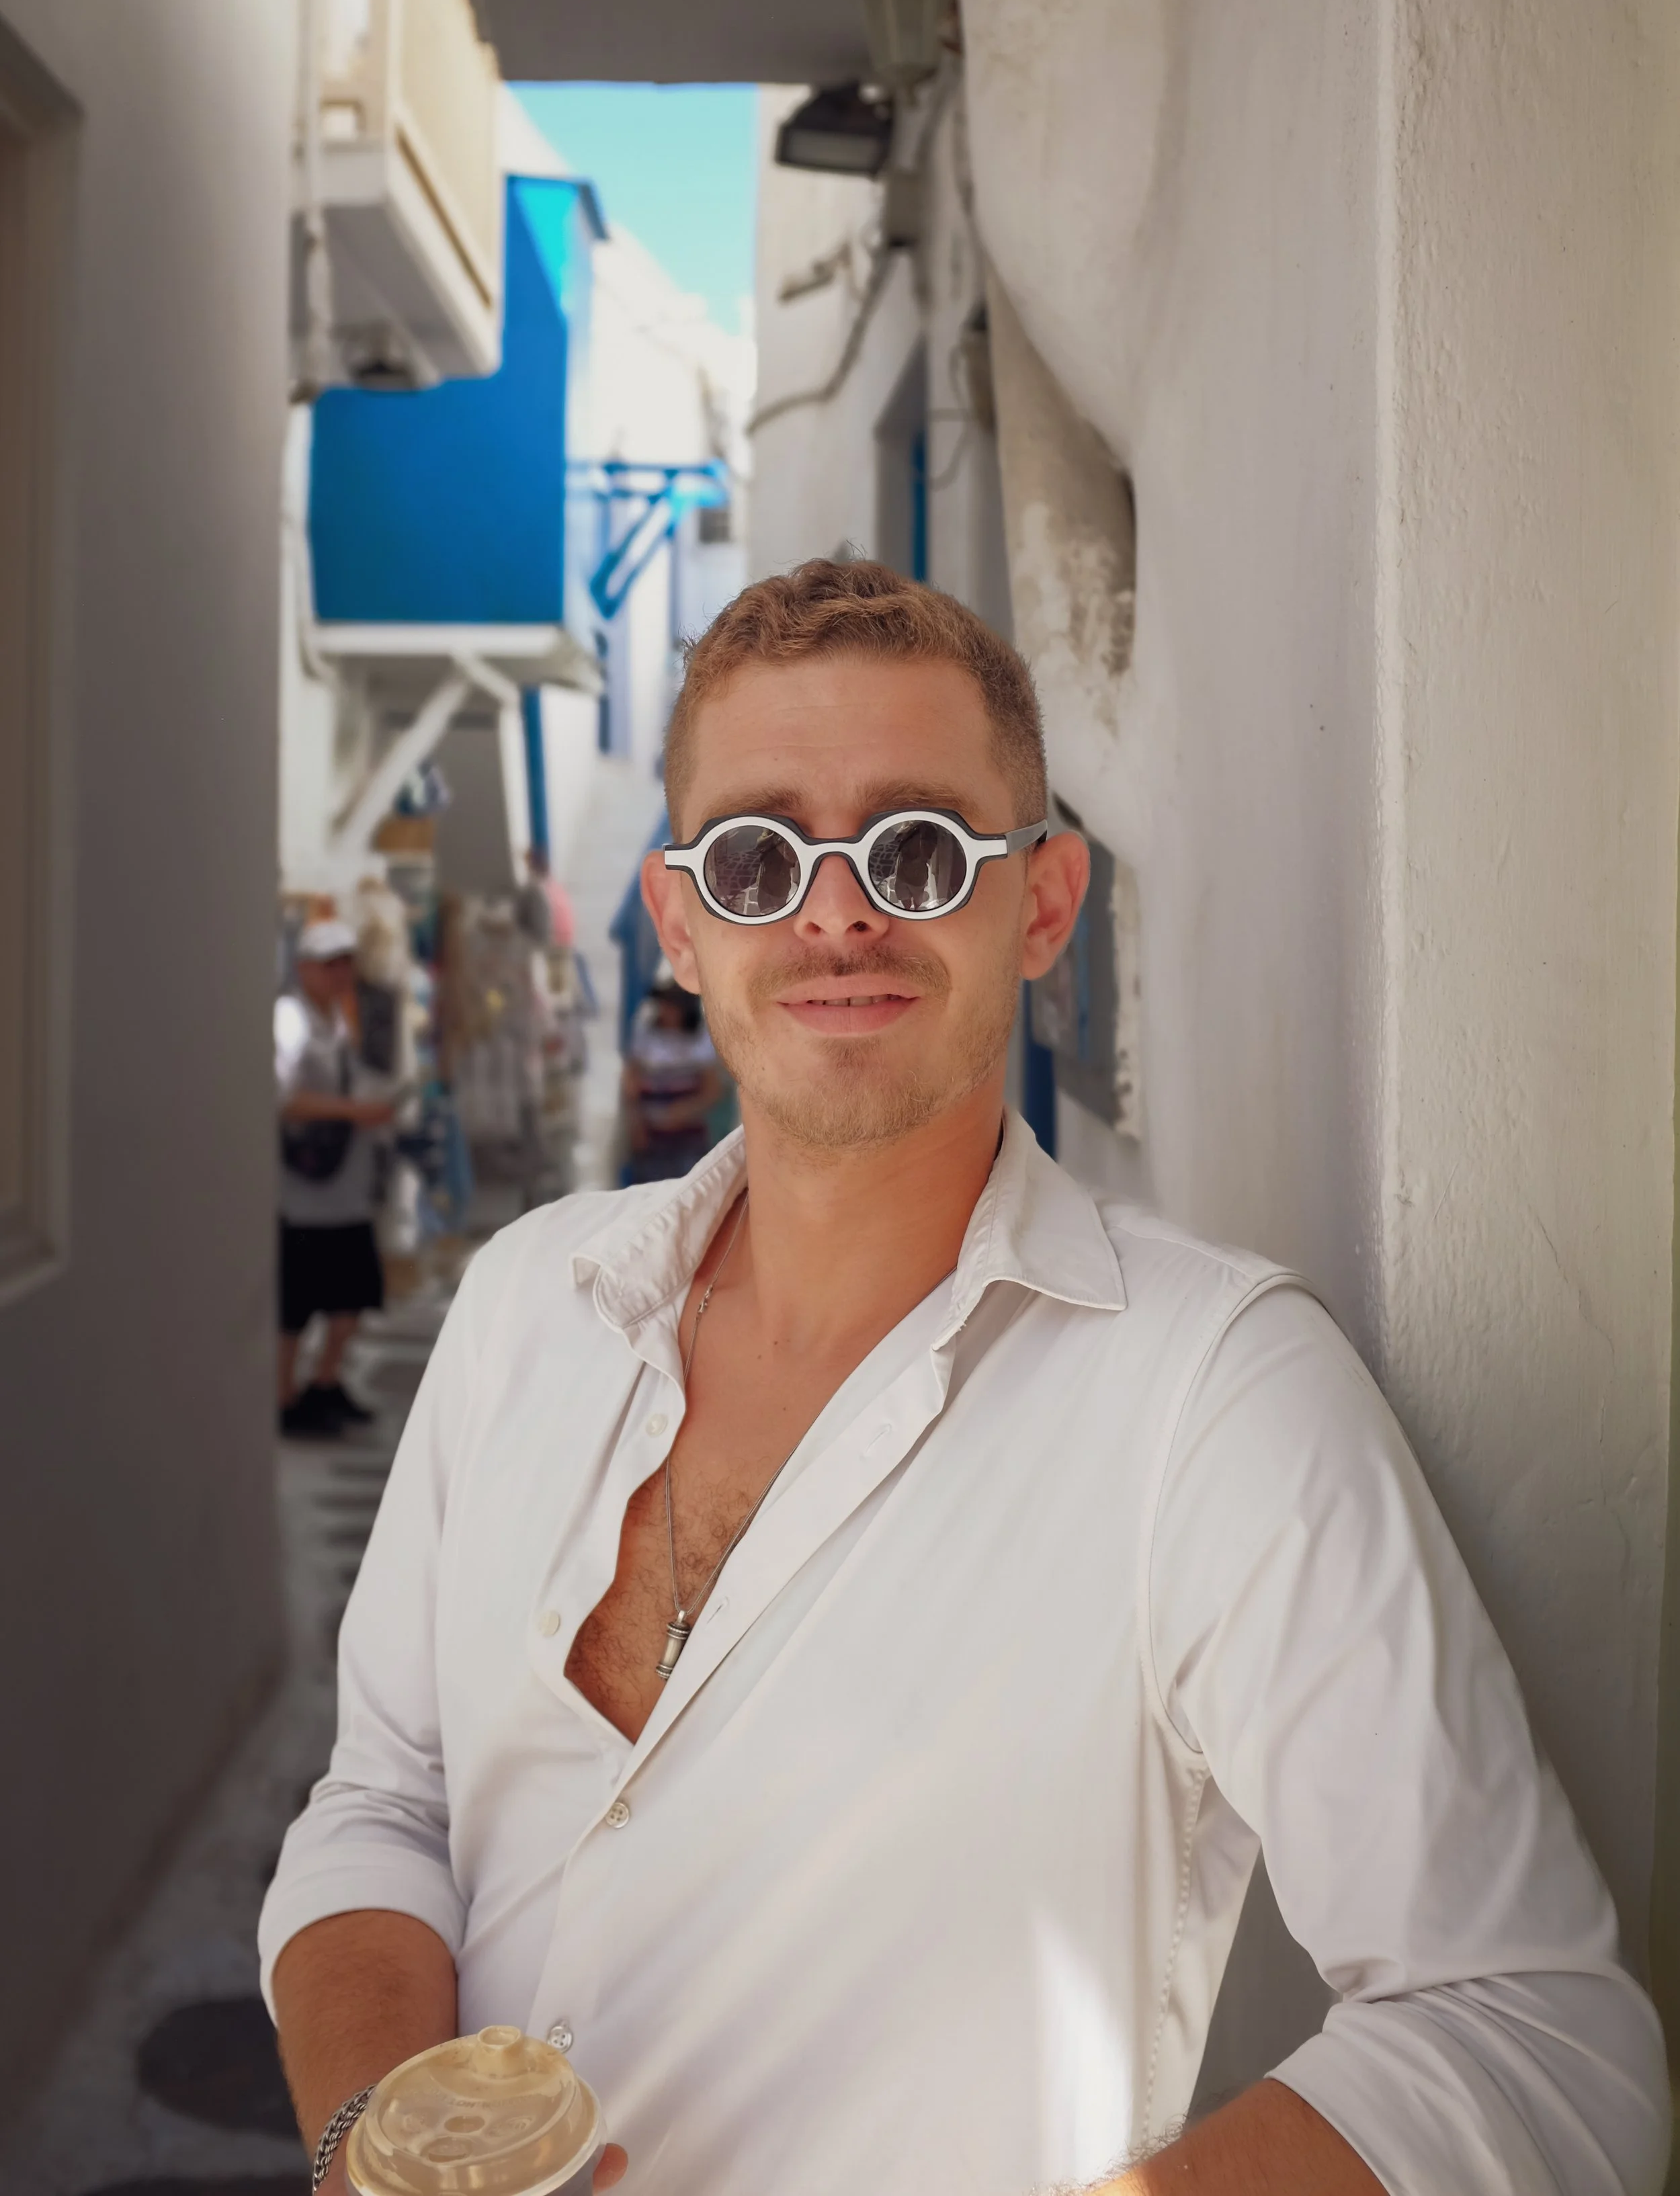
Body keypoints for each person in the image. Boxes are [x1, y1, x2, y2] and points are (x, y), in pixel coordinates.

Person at [261, 563, 1668, 2196]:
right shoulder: (521, 1307)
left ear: (1044, 902)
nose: (838, 911)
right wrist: (383, 2143)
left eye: (920, 850)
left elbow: (1534, 2032)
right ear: (681, 921)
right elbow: (385, 1801)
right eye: (758, 853)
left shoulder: (1211, 1397)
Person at [275, 917, 396, 1439]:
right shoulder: (290, 1019)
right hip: (304, 1192)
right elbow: (282, 1100)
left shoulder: (337, 1019)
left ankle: (325, 1383)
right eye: (330, 964)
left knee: (350, 1298)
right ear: (304, 968)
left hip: (344, 1190)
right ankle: (285, 1397)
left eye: (347, 962)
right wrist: (352, 1111)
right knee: (296, 1307)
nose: (341, 972)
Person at [620, 969, 724, 1185]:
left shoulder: (699, 1040)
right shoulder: (646, 1035)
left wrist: (684, 1111)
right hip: (651, 1135)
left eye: (674, 1005)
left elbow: (712, 1090)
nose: (668, 1011)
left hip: (687, 1136)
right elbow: (631, 1081)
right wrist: (635, 1122)